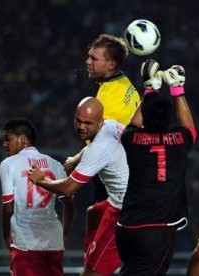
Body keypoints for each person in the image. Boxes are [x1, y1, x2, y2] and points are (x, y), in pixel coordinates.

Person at [29, 97, 128, 276]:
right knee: (93, 213)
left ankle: (93, 267)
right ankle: (91, 258)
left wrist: (40, 180)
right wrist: (75, 159)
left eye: (87, 123)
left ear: (100, 123)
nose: (81, 127)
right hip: (126, 198)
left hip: (125, 211)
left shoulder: (99, 149)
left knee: (91, 274)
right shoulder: (111, 125)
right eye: (78, 121)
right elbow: (89, 149)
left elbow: (69, 188)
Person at [115, 59, 197, 275]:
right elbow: (190, 128)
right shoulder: (180, 139)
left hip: (126, 227)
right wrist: (178, 90)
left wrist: (150, 90)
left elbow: (132, 124)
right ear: (170, 118)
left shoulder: (132, 138)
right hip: (157, 231)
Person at [63, 34, 140, 259]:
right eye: (89, 56)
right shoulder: (124, 83)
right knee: (94, 218)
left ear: (111, 64)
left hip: (113, 178)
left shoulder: (108, 101)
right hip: (128, 171)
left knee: (103, 246)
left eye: (94, 58)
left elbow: (100, 143)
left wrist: (75, 160)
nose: (88, 62)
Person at [0, 118, 74, 276]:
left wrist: (6, 234)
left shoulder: (8, 164)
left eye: (8, 139)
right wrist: (65, 233)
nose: (4, 144)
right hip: (54, 243)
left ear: (22, 139)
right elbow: (68, 203)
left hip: (26, 244)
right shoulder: (55, 164)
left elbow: (8, 207)